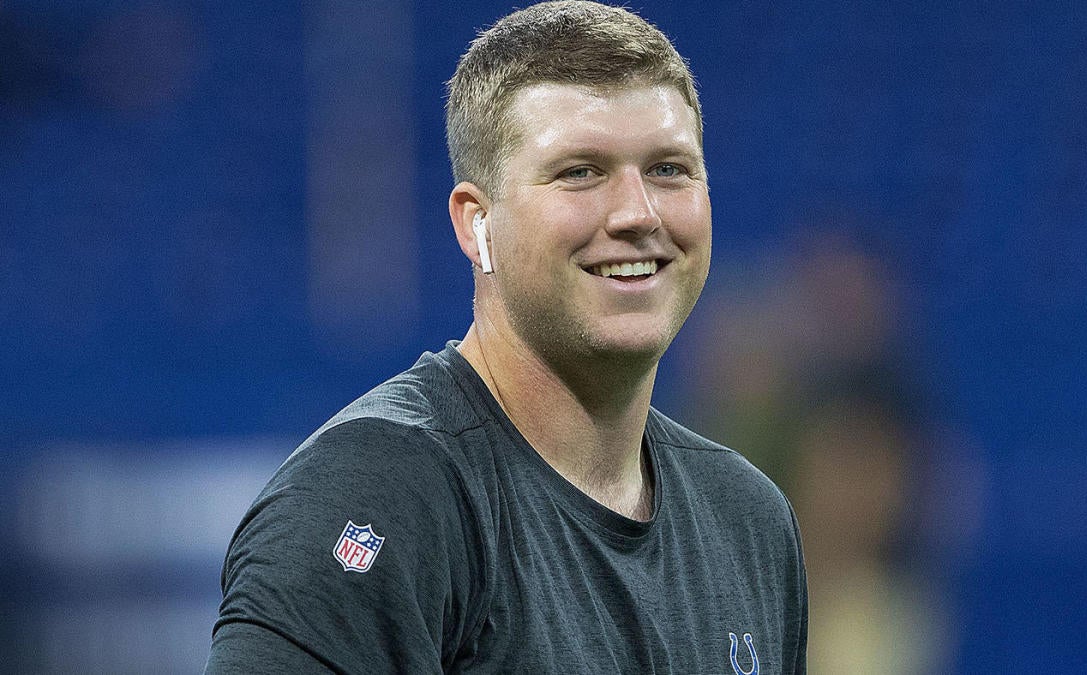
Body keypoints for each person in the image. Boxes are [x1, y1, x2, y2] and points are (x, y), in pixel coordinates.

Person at [206, 2, 807, 672]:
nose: (638, 213)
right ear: (476, 222)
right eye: (580, 171)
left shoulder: (749, 520)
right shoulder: (379, 496)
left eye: (669, 169)